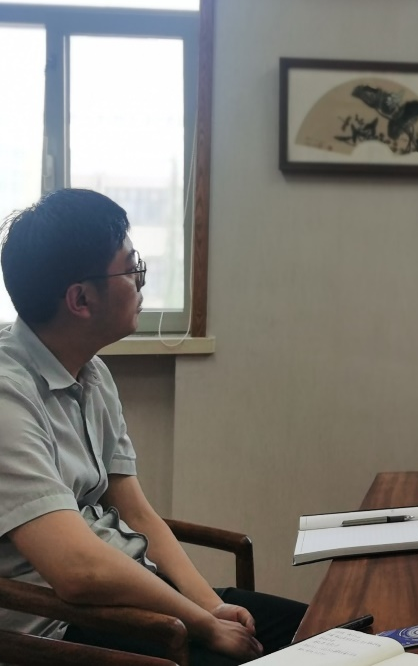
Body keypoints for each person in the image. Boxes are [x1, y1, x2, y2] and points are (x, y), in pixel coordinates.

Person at [0, 189, 306, 665]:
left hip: (136, 599)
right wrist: (204, 625)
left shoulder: (91, 372)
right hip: (60, 629)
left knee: (322, 626)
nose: (142, 280)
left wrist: (209, 606)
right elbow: (77, 571)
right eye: (131, 269)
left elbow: (138, 515)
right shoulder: (7, 395)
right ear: (80, 298)